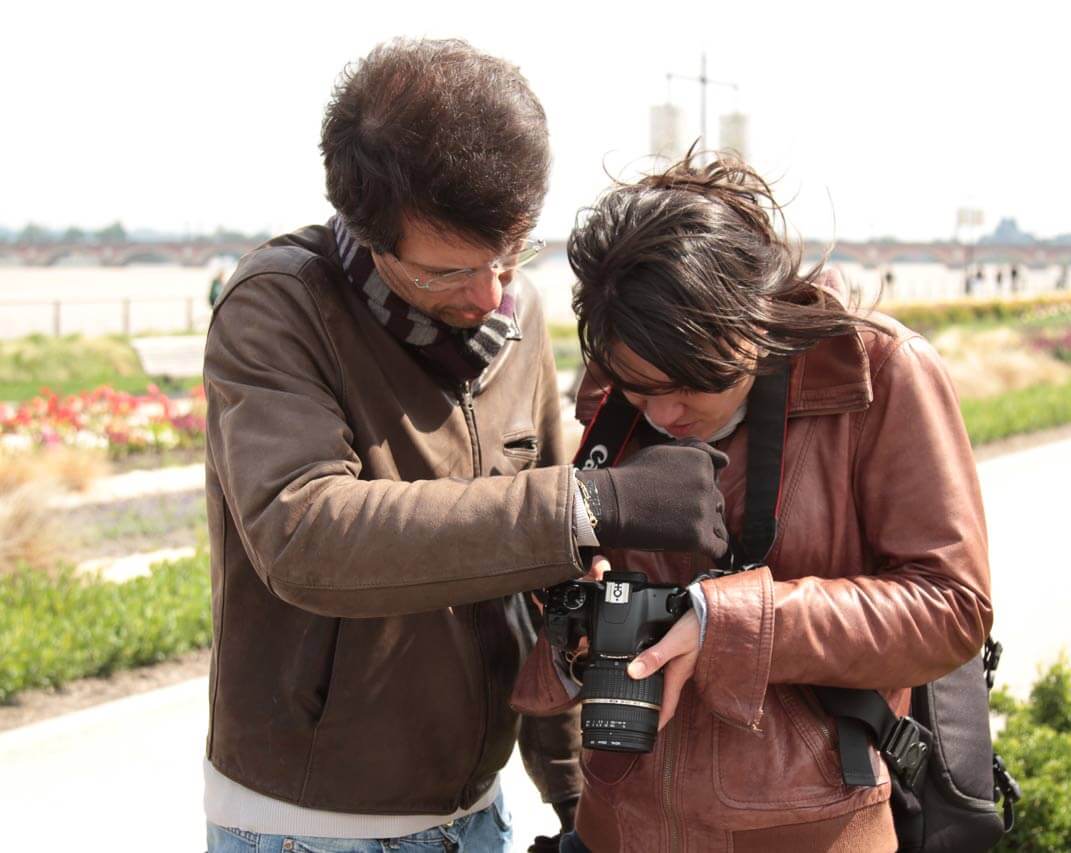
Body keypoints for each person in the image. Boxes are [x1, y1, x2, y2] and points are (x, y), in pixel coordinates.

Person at [202, 39, 730, 853]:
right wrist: (592, 502)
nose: (490, 294)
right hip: (312, 830)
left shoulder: (515, 316)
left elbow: (546, 578)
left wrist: (576, 801)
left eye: (511, 253)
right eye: (451, 272)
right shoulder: (279, 307)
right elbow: (303, 534)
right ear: (369, 230)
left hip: (478, 816)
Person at [513, 154, 993, 852]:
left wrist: (727, 624)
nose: (665, 409)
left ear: (753, 319)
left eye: (692, 383)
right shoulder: (619, 383)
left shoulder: (880, 370)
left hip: (809, 828)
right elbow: (575, 572)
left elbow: (953, 608)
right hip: (619, 824)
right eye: (641, 388)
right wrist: (572, 603)